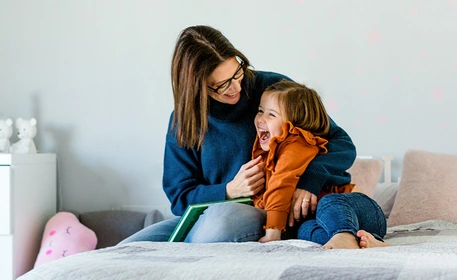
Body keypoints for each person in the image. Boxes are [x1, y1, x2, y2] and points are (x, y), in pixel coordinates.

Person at [119, 25, 356, 245]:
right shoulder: (184, 121)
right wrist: (229, 190)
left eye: (237, 73)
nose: (236, 88)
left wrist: (309, 182)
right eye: (221, 85)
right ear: (196, 87)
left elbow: (340, 143)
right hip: (207, 212)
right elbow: (179, 197)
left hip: (259, 210)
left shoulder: (274, 89)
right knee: (129, 248)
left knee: (220, 221)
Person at [251, 80, 388, 249]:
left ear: (295, 124)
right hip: (335, 224)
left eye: (271, 115)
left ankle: (344, 234)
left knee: (328, 203)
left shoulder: (296, 142)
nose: (260, 119)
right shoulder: (270, 153)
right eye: (260, 111)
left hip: (361, 210)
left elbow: (281, 183)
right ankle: (365, 241)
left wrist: (273, 232)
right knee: (306, 232)